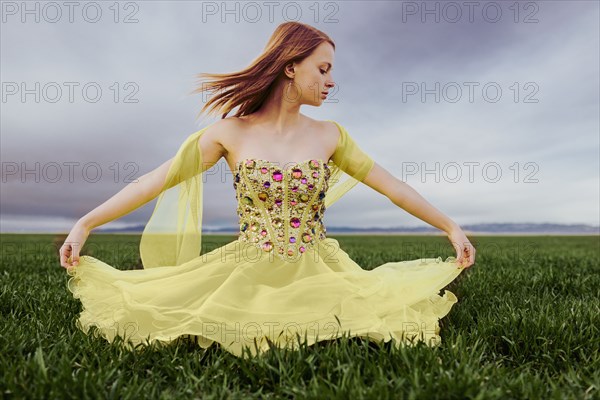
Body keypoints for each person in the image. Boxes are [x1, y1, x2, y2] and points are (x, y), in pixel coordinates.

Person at [60, 21, 475, 358]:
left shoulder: (330, 135)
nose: (331, 81)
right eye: (323, 69)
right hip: (249, 265)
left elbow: (394, 187)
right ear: (290, 67)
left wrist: (450, 227)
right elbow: (155, 181)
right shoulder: (229, 133)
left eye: (331, 70)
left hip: (319, 267)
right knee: (182, 310)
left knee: (361, 319)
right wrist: (85, 223)